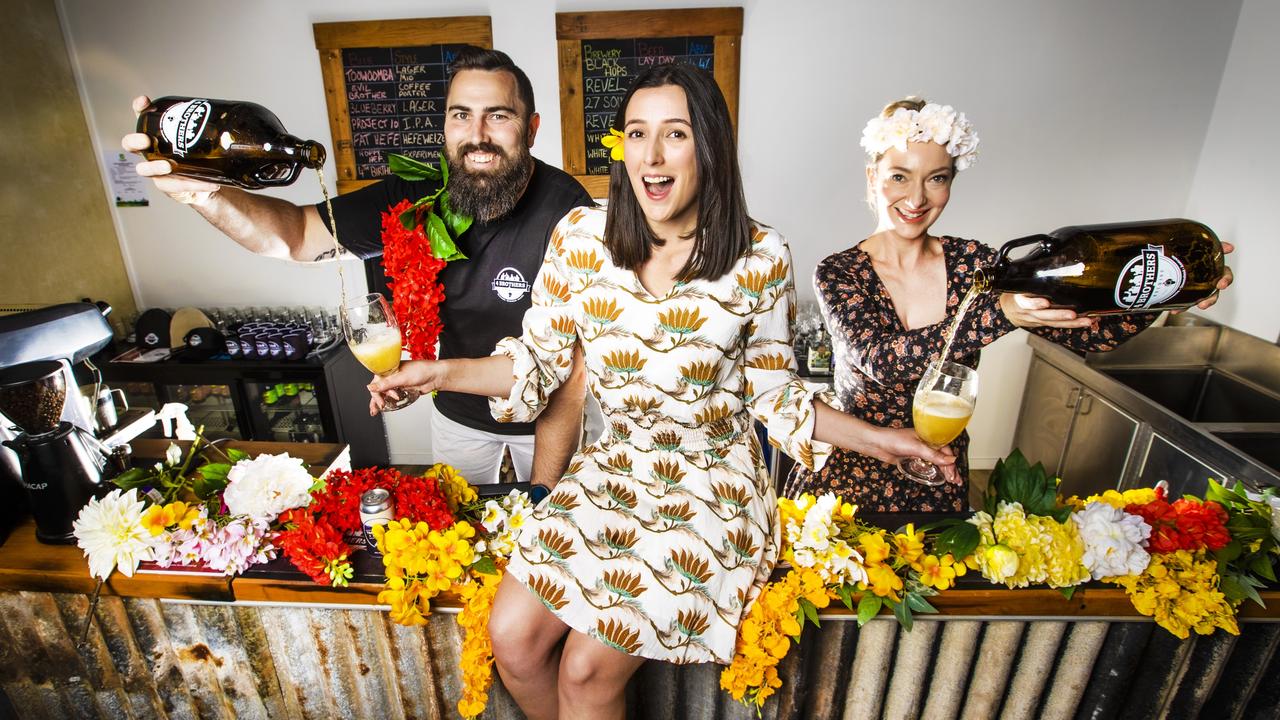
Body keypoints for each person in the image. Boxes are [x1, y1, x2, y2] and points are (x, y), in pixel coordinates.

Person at [367, 65, 955, 720]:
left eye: (674, 134)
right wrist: (437, 373)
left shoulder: (760, 257)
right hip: (612, 469)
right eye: (637, 133)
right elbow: (536, 365)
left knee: (587, 673)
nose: (650, 155)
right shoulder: (582, 239)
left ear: (709, 146)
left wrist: (888, 441)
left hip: (712, 487)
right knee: (513, 640)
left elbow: (777, 399)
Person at [121, 48, 593, 488]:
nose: (478, 134)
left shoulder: (569, 213)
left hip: (550, 420)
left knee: (550, 541)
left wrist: (544, 497)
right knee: (461, 539)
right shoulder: (413, 198)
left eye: (499, 115)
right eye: (461, 115)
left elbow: (570, 376)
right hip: (455, 415)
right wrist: (205, 194)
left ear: (530, 129)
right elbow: (295, 237)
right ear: (445, 125)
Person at [784, 97, 1235, 513]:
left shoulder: (975, 264)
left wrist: (1161, 294)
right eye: (899, 175)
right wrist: (1000, 313)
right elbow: (881, 360)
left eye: (936, 178)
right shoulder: (839, 271)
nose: (917, 198)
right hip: (851, 474)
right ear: (873, 176)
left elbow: (1090, 334)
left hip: (938, 472)